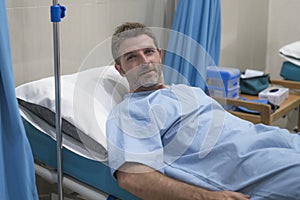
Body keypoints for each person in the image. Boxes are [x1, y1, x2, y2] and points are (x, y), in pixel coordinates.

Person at [106, 22, 300, 200]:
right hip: (255, 169)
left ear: (159, 55)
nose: (144, 61)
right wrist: (207, 197)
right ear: (120, 69)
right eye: (132, 57)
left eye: (148, 52)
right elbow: (133, 177)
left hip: (277, 140)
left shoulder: (187, 90)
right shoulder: (130, 111)